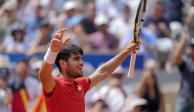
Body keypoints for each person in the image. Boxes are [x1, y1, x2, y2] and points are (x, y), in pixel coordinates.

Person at [39, 28, 140, 112]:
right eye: (76, 59)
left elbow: (103, 71)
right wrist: (52, 51)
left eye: (81, 59)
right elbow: (43, 75)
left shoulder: (81, 84)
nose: (81, 63)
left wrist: (126, 52)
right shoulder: (55, 84)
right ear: (63, 63)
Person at [173, 30, 194, 112]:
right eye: (192, 47)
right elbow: (176, 58)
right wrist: (183, 41)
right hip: (184, 98)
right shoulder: (186, 61)